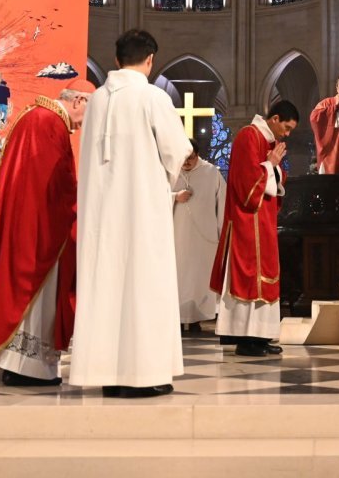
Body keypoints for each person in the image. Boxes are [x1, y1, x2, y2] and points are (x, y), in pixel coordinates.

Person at [69, 30, 193, 398]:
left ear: (118, 58)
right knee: (144, 287)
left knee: (105, 286)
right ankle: (144, 374)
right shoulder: (153, 97)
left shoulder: (96, 101)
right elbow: (177, 151)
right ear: (150, 60)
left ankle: (108, 372)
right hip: (141, 213)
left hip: (102, 216)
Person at [0, 80, 96, 386]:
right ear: (79, 101)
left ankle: (16, 363)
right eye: (91, 110)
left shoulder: (36, 115)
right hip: (39, 228)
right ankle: (28, 368)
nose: (88, 122)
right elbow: (55, 185)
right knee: (35, 296)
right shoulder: (49, 123)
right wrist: (80, 209)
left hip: (25, 221)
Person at [210, 100, 299, 357]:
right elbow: (246, 182)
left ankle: (259, 336)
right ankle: (244, 339)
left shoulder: (269, 142)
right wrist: (270, 164)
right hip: (246, 220)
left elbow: (277, 178)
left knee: (265, 277)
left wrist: (274, 167)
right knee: (247, 277)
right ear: (275, 119)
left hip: (264, 220)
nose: (287, 133)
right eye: (287, 127)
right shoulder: (248, 136)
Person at [172, 139, 226, 332]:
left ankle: (195, 320)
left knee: (198, 279)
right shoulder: (170, 172)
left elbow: (223, 205)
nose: (186, 163)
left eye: (191, 158)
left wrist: (222, 236)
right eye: (183, 158)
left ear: (198, 155)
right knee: (178, 277)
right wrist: (174, 197)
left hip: (205, 239)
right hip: (175, 237)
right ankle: (176, 319)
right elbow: (152, 197)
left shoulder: (211, 173)